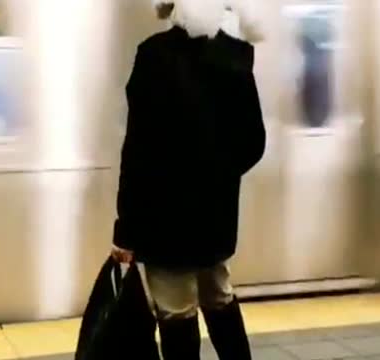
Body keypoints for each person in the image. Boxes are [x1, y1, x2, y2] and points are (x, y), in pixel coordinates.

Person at [111, 0, 266, 359]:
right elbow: (253, 143)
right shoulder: (235, 57)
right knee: (219, 296)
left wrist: (125, 229)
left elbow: (138, 151)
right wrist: (217, 178)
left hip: (165, 221)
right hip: (215, 220)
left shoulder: (153, 56)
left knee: (176, 310)